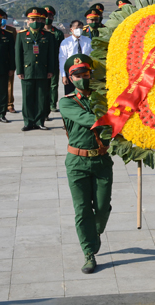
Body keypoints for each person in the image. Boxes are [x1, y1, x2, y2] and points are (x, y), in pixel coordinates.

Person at [59, 54, 112, 274]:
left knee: (101, 208)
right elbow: (89, 120)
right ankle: (89, 253)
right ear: (70, 78)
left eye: (85, 74)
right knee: (82, 210)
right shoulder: (67, 102)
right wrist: (115, 117)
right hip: (77, 162)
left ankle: (95, 231)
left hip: (100, 160)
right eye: (77, 75)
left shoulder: (105, 98)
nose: (82, 78)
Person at [15, 7, 56, 131]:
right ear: (27, 21)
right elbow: (18, 54)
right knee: (27, 98)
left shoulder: (48, 36)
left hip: (43, 71)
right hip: (27, 71)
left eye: (38, 19)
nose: (35, 21)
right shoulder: (22, 36)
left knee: (42, 98)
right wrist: (19, 71)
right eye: (32, 19)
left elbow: (51, 55)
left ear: (42, 20)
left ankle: (40, 121)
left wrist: (50, 70)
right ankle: (28, 122)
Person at [59, 20, 93, 95]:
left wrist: (92, 73)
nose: (79, 30)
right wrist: (64, 76)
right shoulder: (66, 42)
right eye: (77, 28)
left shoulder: (88, 41)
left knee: (86, 93)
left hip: (85, 72)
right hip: (71, 73)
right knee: (71, 94)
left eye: (81, 28)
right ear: (71, 29)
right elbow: (62, 59)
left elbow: (92, 57)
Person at [43, 6, 66, 113]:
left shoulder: (58, 33)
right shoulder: (39, 32)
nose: (48, 17)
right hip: (42, 62)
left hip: (54, 61)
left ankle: (52, 104)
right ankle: (43, 104)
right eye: (46, 15)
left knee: (53, 84)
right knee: (42, 85)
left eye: (50, 15)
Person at [0, 14, 19, 114]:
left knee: (9, 84)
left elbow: (15, 46)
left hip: (9, 61)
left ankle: (9, 105)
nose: (2, 20)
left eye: (3, 18)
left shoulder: (12, 30)